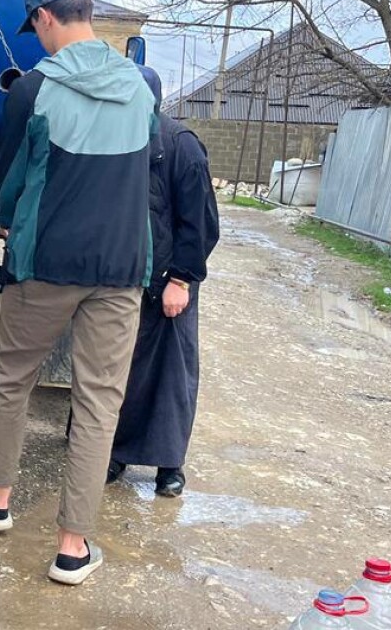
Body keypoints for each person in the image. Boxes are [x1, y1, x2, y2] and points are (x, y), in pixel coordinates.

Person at [0, 0, 155, 586]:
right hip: (121, 265)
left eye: (35, 26)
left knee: (13, 378)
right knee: (98, 401)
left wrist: (7, 220)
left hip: (45, 260)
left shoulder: (33, 88)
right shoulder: (141, 86)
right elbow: (143, 167)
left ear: (45, 18)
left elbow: (11, 179)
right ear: (88, 13)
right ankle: (73, 547)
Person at [107, 65, 219, 498]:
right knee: (117, 370)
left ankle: (169, 466)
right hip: (123, 278)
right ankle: (114, 452)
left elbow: (201, 224)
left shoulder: (181, 146)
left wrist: (182, 281)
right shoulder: (113, 139)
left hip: (170, 280)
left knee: (172, 376)